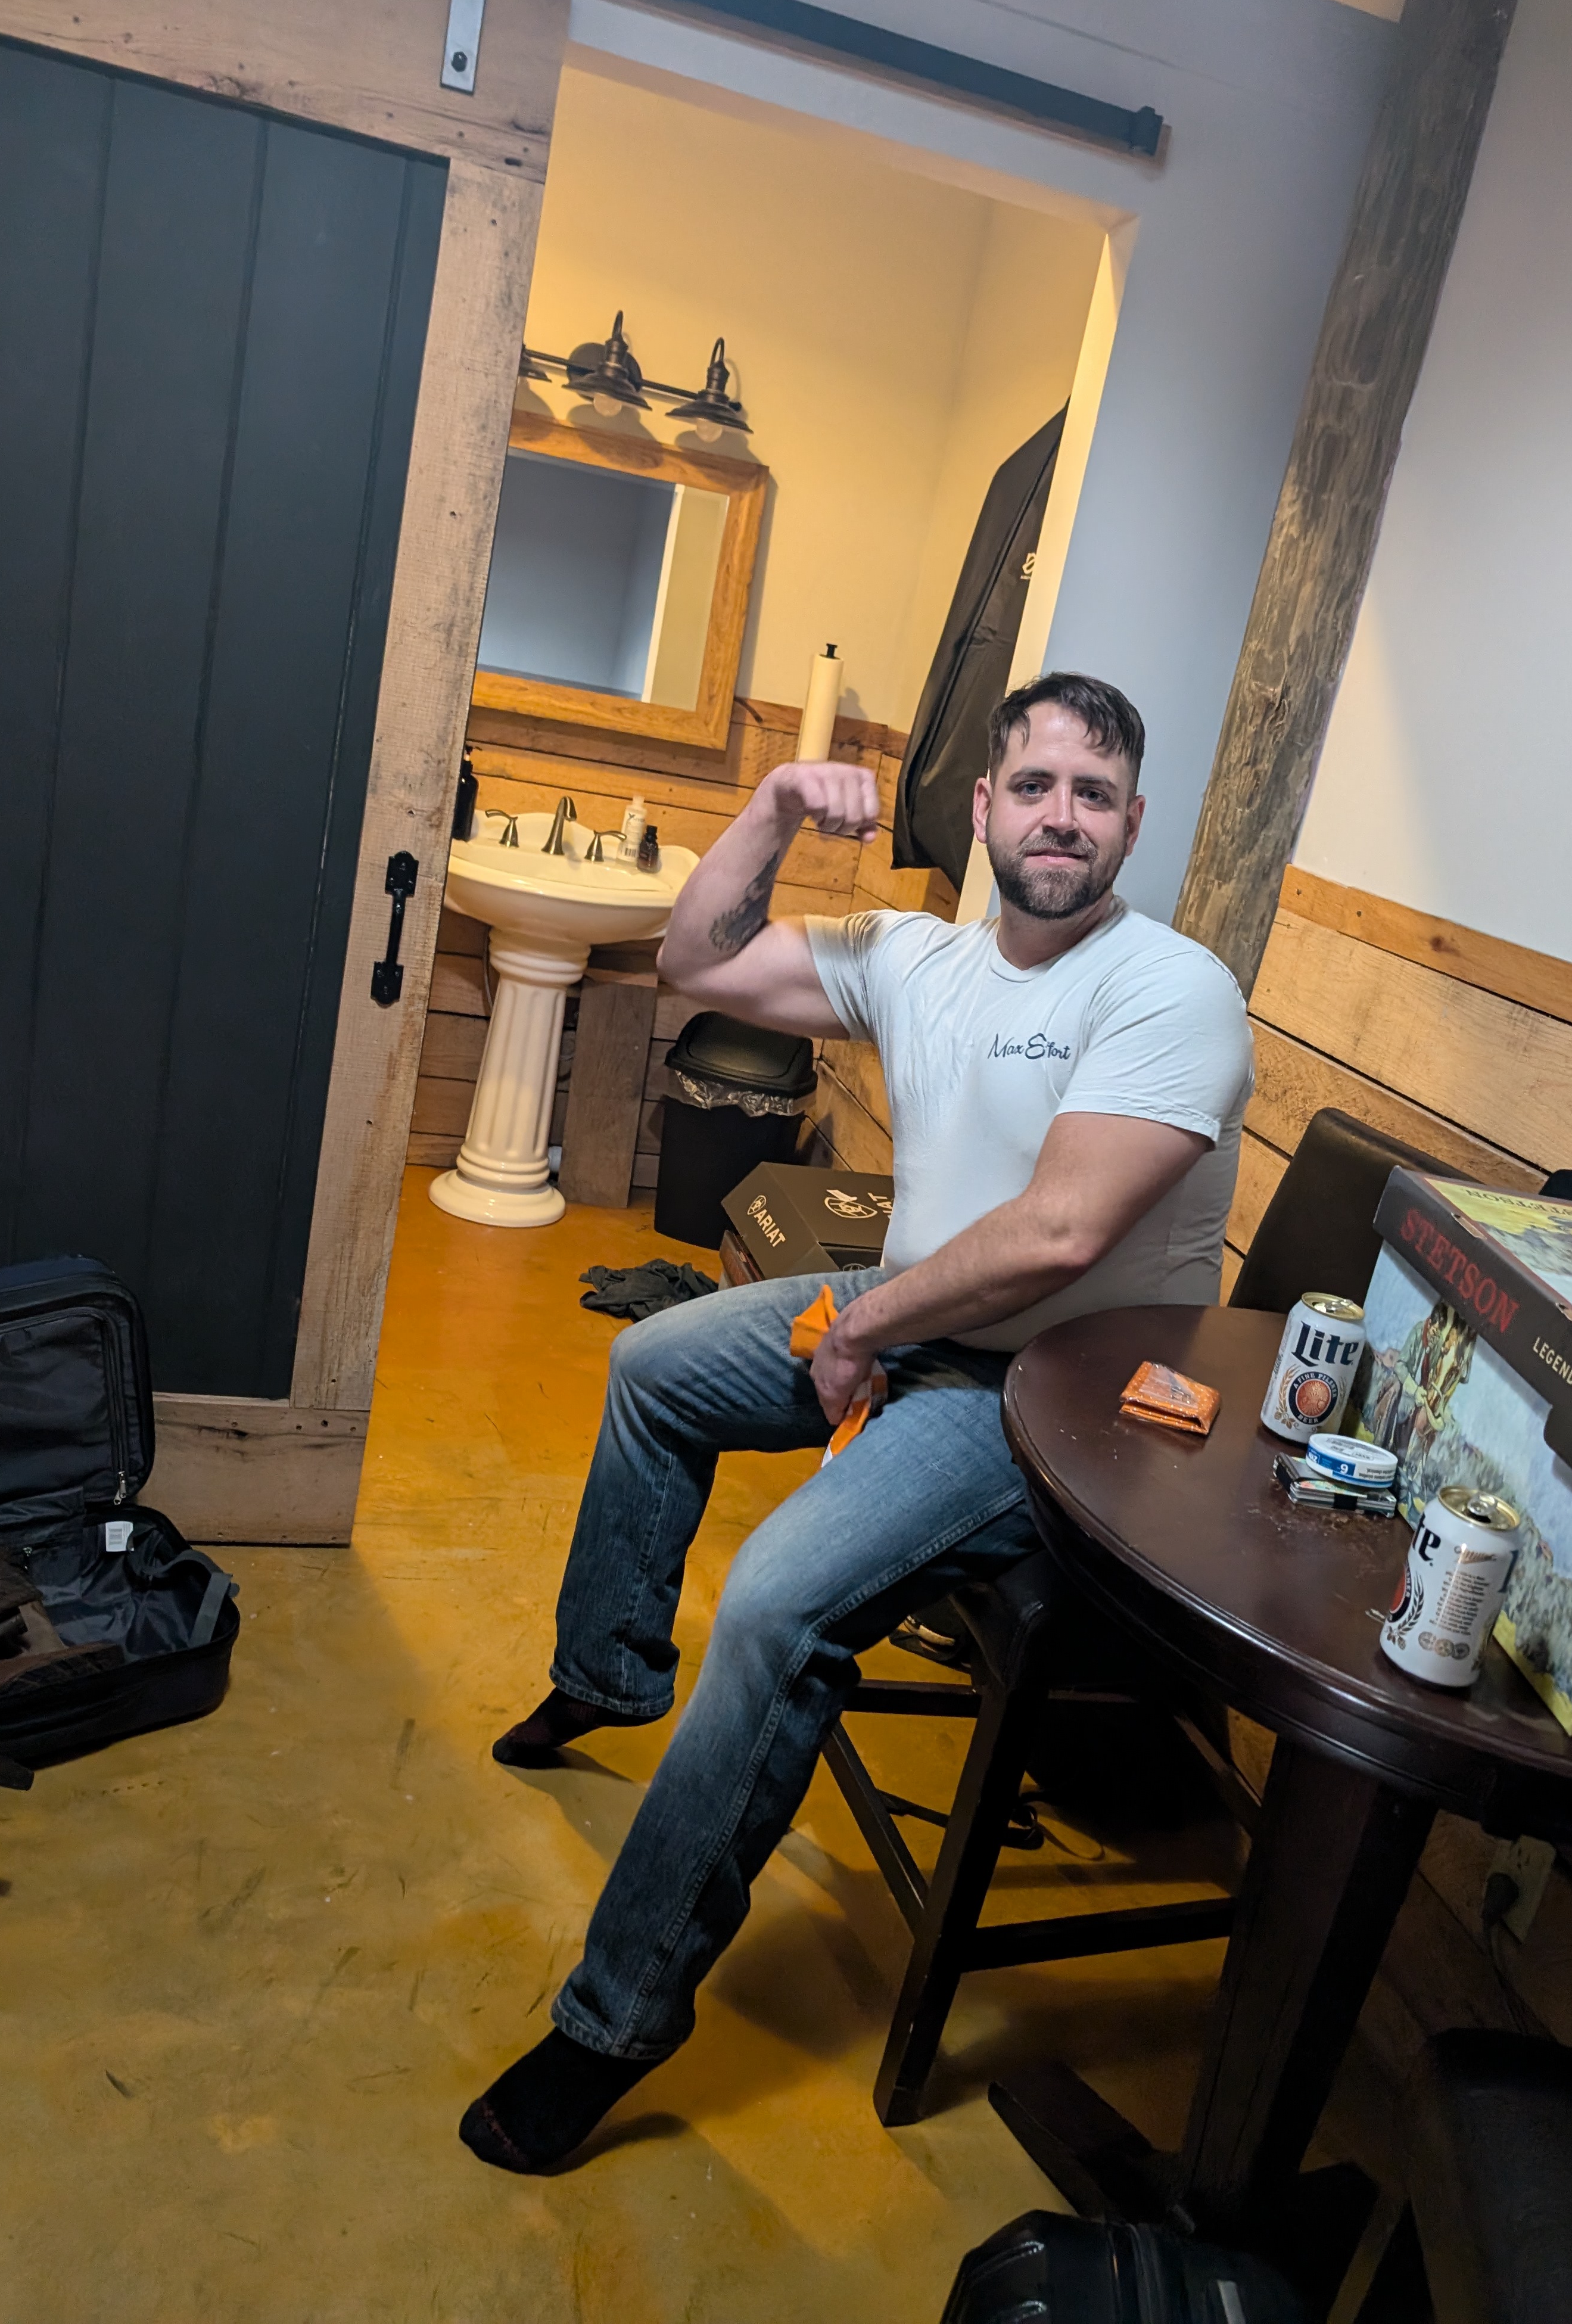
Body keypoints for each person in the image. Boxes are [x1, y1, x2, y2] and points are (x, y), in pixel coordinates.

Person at [459, 670, 1254, 2175]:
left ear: (1134, 823)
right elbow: (694, 961)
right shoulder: (918, 957)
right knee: (656, 1368)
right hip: (912, 1313)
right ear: (985, 807)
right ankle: (611, 1674)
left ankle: (615, 2021)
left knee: (775, 1601)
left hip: (1051, 1398)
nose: (1062, 817)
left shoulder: (1170, 989)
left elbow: (1061, 1233)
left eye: (1094, 795)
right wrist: (769, 805)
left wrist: (866, 1331)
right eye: (1036, 787)